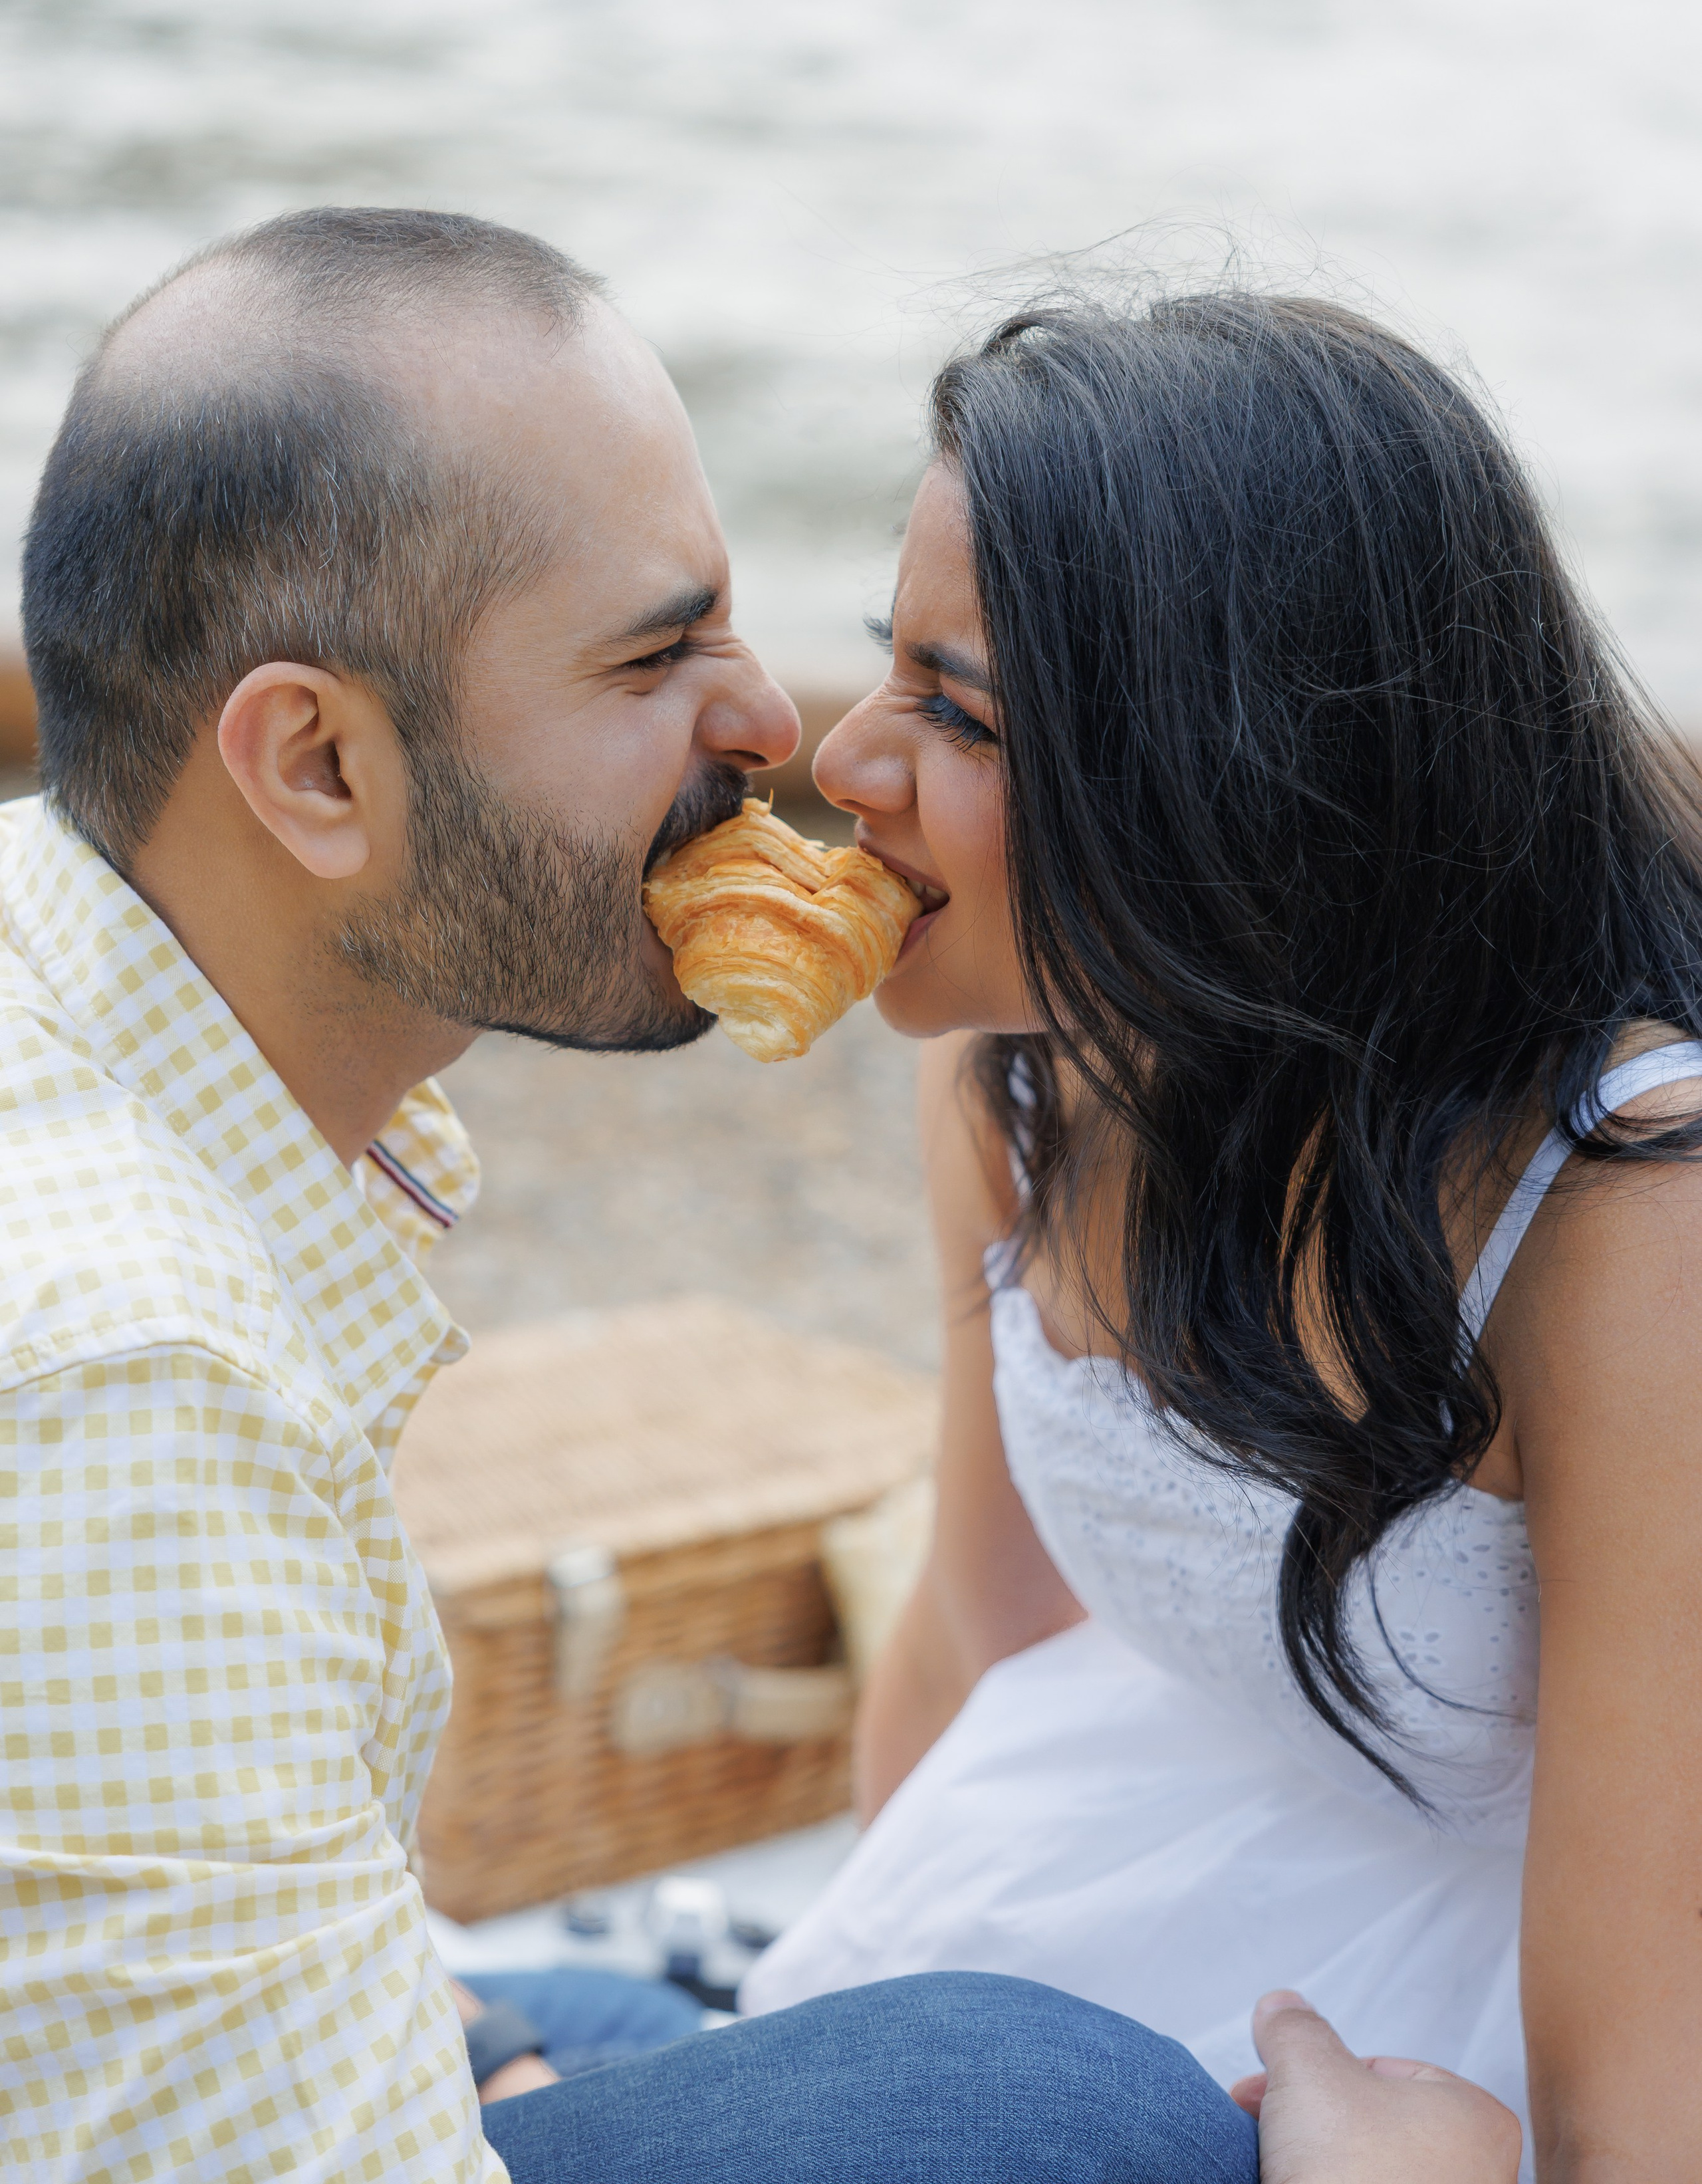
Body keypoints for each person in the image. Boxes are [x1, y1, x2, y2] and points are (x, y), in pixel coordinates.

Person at [0, 206, 1504, 2184]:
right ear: (318, 769)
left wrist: (436, 2039)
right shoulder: (134, 1379)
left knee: (690, 2032)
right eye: (656, 652)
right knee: (1071, 2112)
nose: (779, 731)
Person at [741, 291, 1702, 2184]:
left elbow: (1646, 2045)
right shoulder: (1021, 1073)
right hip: (1105, 1851)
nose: (842, 762)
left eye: (957, 709)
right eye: (886, 664)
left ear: (1231, 785)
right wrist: (838, 2041)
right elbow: (978, 1633)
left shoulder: (1624, 1219)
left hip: (1504, 2009)